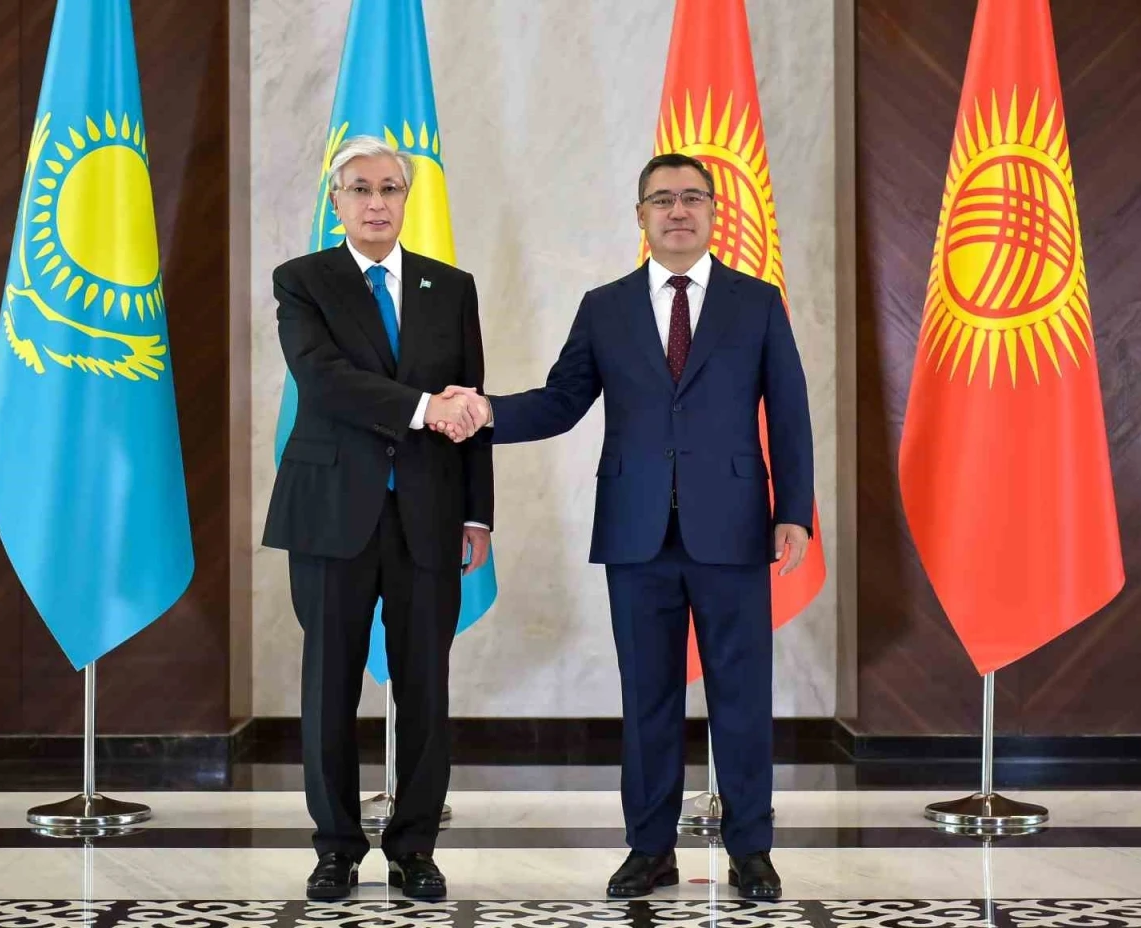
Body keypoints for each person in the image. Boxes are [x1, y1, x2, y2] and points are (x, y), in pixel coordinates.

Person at [439, 153, 813, 900]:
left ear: (714, 213)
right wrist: (484, 412)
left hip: (734, 529)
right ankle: (649, 848)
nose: (678, 211)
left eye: (692, 198)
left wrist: (794, 513)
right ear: (639, 216)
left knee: (742, 696)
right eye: (662, 200)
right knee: (647, 697)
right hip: (637, 533)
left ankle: (752, 850)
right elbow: (561, 401)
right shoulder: (604, 307)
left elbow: (790, 412)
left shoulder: (756, 302)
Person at [262, 136, 491, 901]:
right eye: (360, 188)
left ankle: (414, 848)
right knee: (330, 685)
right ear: (336, 201)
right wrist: (424, 407)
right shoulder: (303, 280)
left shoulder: (450, 287)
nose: (376, 202)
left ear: (406, 198)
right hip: (332, 511)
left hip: (430, 513)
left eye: (390, 188)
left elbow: (472, 405)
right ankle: (335, 849)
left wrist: (478, 514)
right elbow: (323, 380)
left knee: (426, 687)